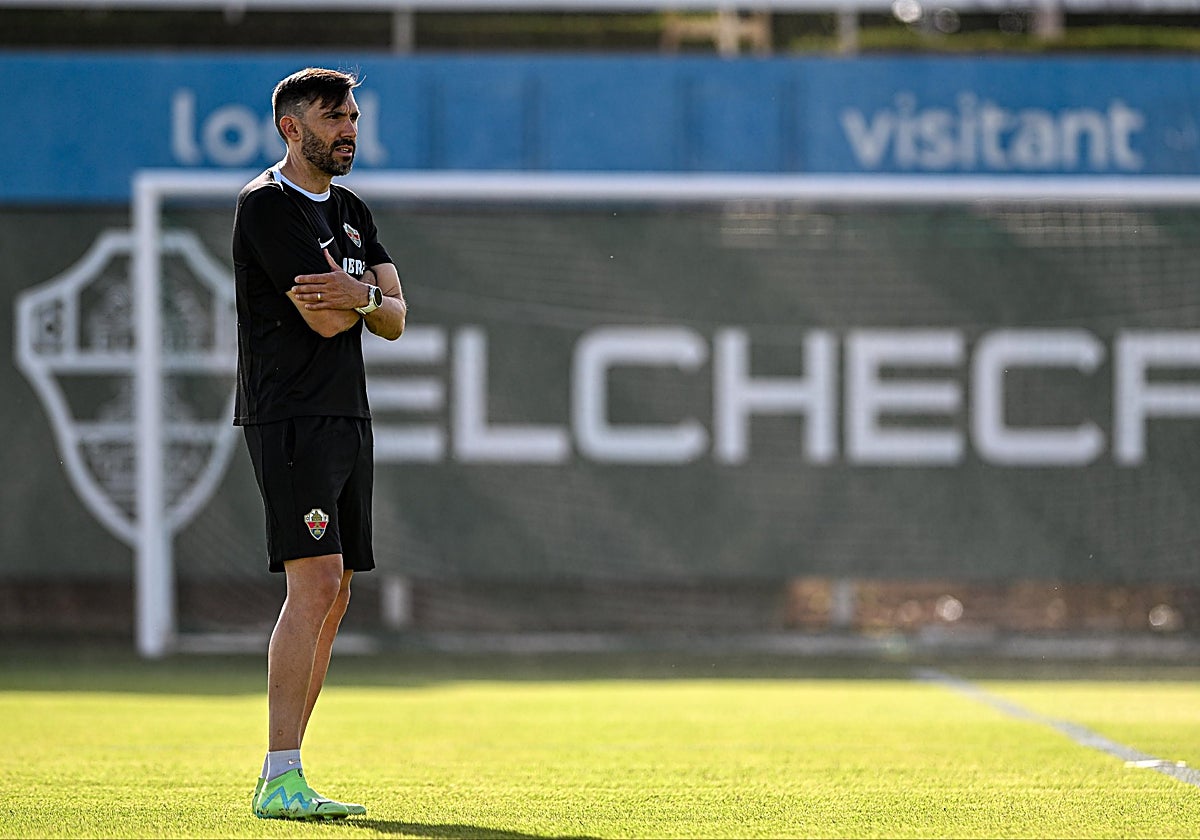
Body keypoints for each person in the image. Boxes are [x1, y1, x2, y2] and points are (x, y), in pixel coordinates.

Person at [231, 66, 406, 821]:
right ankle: (279, 772)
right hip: (290, 415)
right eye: (335, 118)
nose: (350, 130)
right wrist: (363, 303)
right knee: (315, 581)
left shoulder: (354, 211)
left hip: (346, 415)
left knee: (335, 594)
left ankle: (287, 771)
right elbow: (328, 321)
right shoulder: (267, 207)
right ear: (291, 128)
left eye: (355, 118)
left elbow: (394, 315)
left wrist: (359, 293)